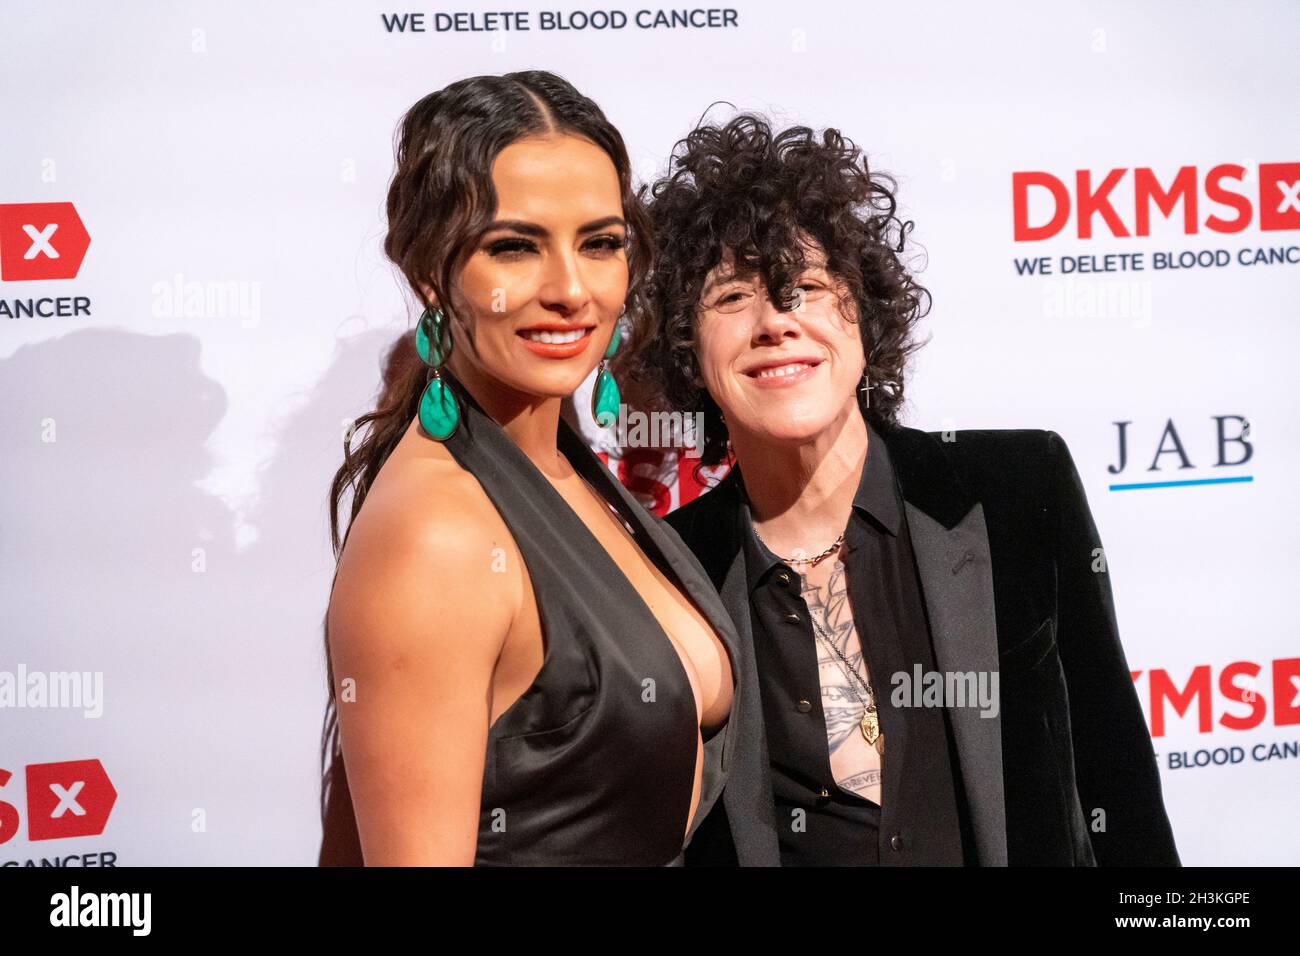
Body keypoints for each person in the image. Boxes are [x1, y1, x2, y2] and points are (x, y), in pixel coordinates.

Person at [627, 113, 1181, 866]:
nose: (775, 323)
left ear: (866, 315)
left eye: (807, 286)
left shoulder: (1017, 491)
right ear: (689, 349)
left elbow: (1117, 778)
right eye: (731, 298)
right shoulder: (669, 567)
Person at [317, 72, 739, 866]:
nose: (571, 290)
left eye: (600, 243)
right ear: (428, 275)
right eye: (514, 246)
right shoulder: (436, 534)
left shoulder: (566, 472)